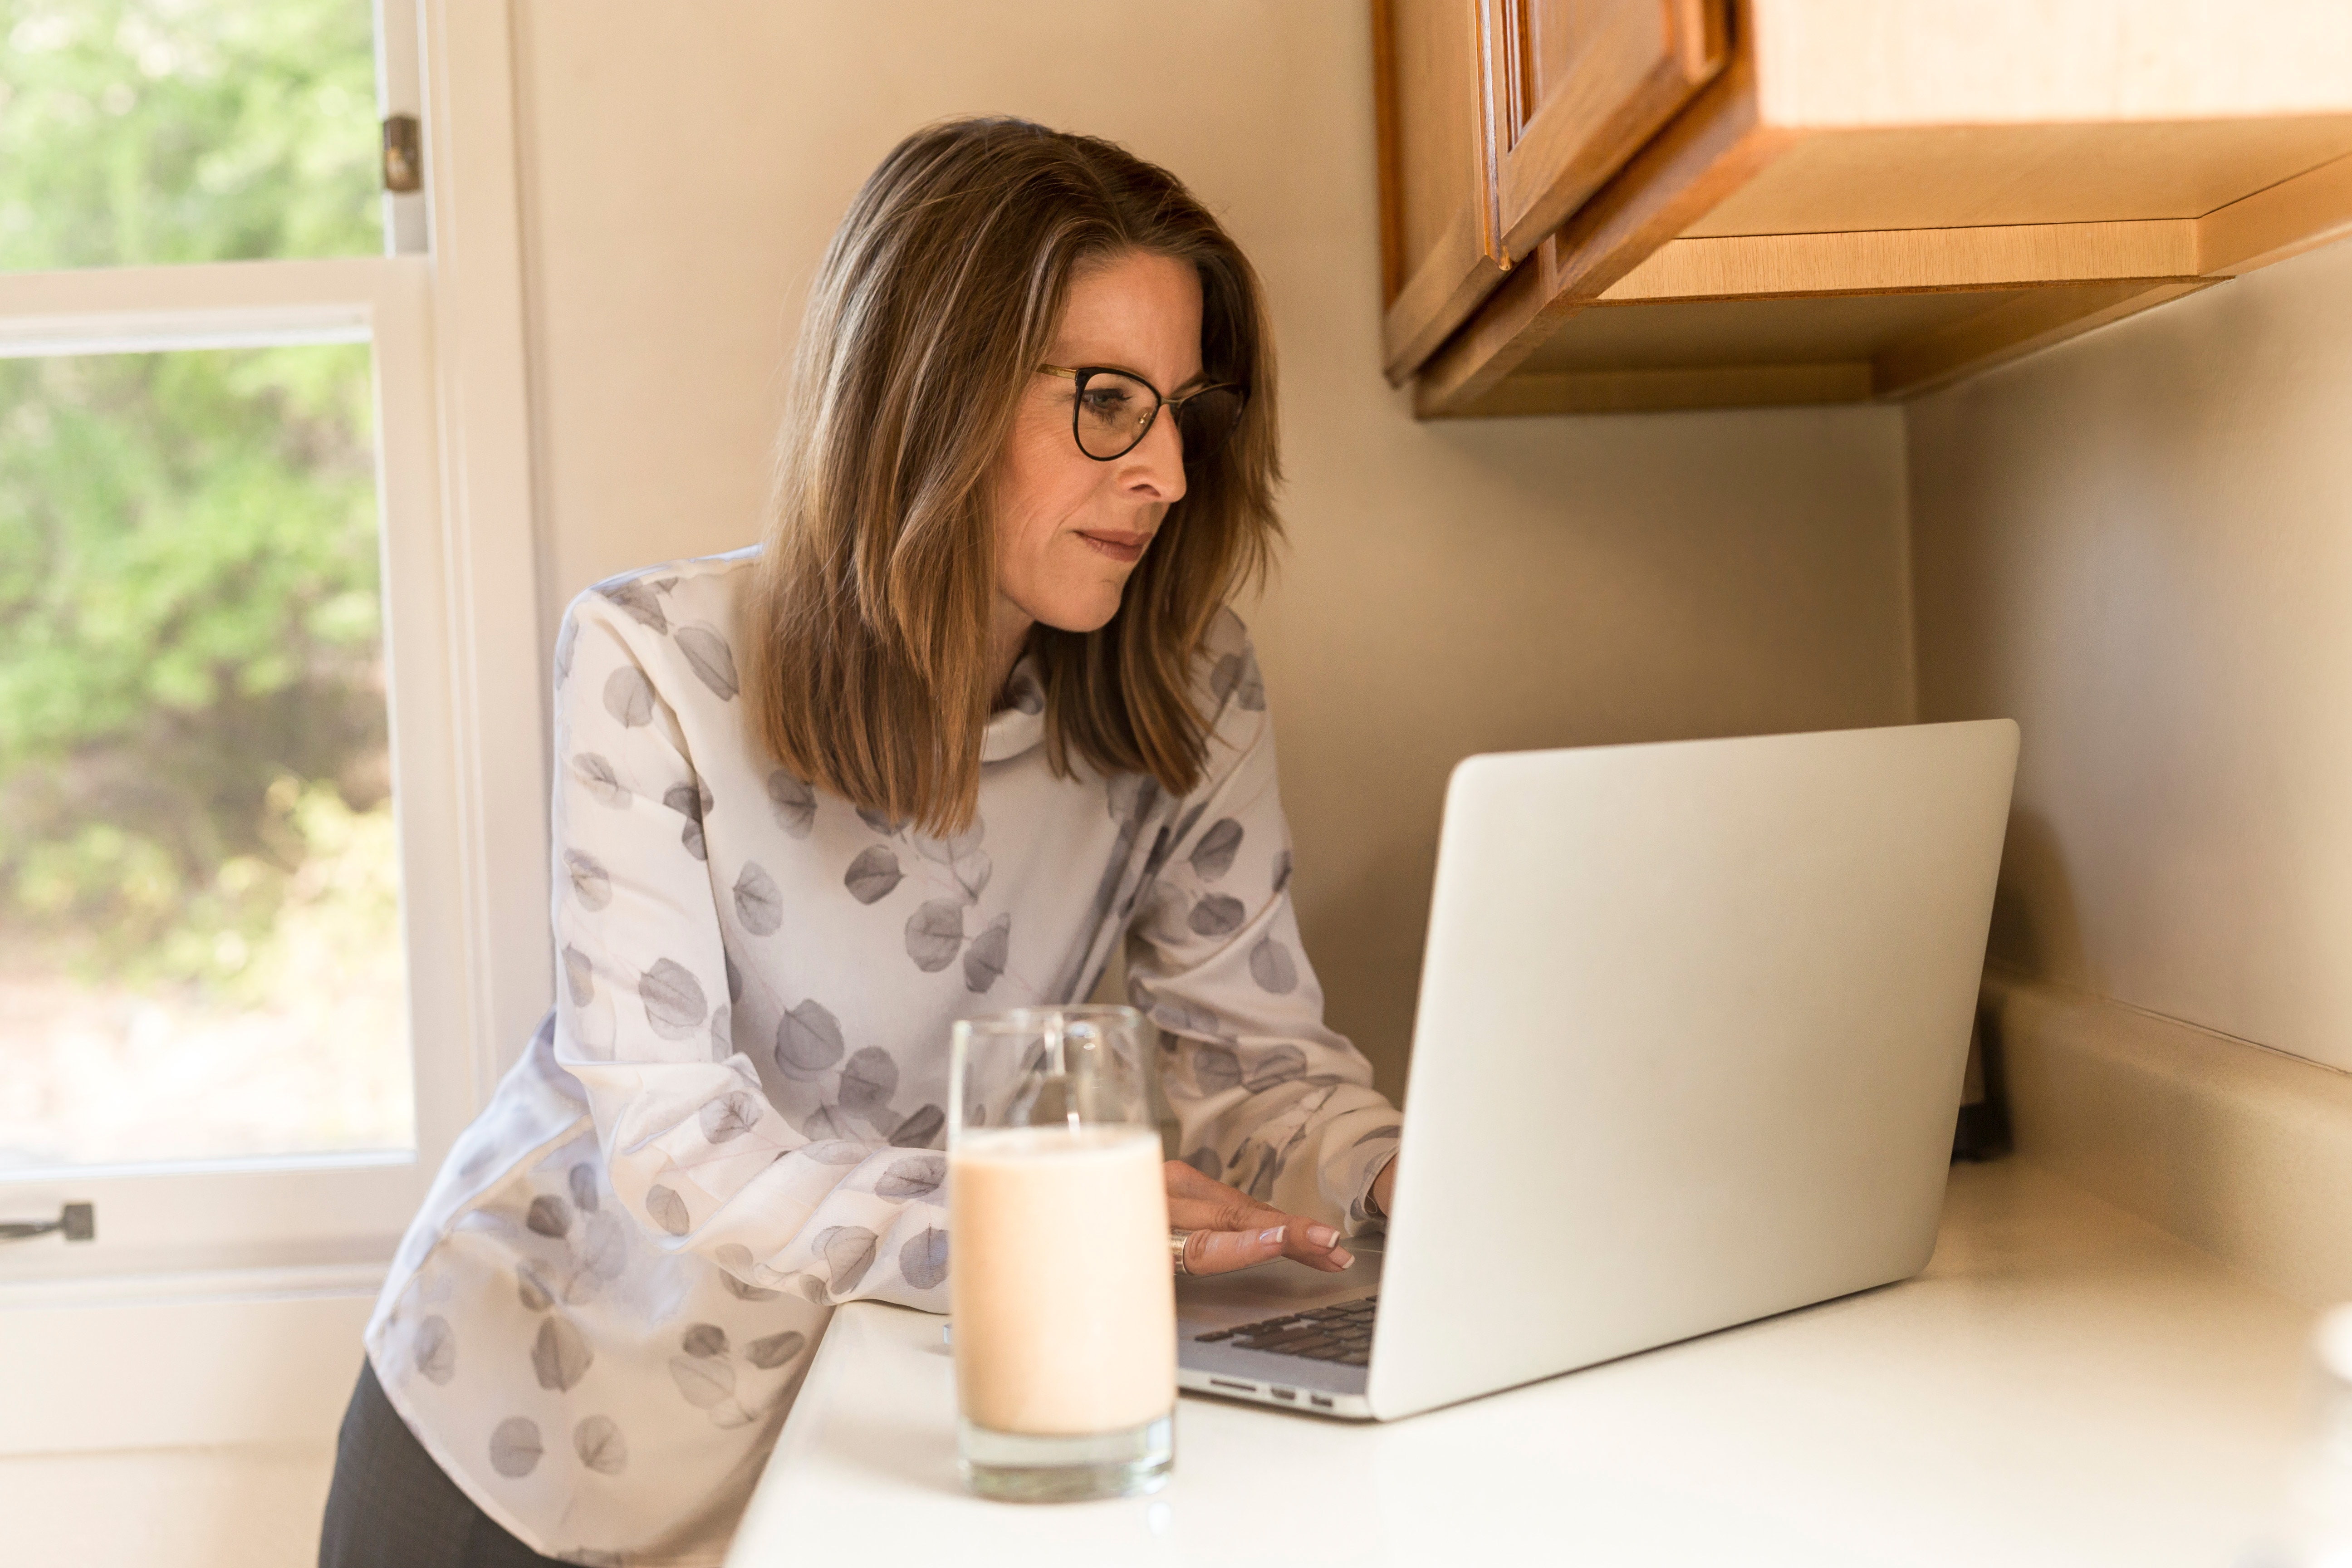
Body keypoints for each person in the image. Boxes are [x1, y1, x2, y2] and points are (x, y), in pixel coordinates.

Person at [318, 116, 1403, 1568]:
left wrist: (1408, 1176)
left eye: (1182, 414)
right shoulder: (652, 663)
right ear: (927, 392)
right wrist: (1038, 1217)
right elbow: (681, 1151)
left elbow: (1251, 1069)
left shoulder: (1190, 692)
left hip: (845, 1437)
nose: (1168, 475)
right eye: (1104, 401)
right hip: (524, 1430)